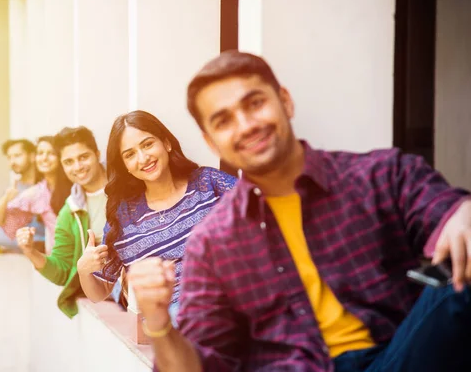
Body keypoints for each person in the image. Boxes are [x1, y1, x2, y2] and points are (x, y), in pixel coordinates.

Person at [128, 51, 471, 372]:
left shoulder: (381, 175)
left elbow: (440, 209)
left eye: (255, 103)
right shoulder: (212, 243)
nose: (246, 125)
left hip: (401, 356)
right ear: (211, 142)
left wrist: (461, 212)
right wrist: (158, 322)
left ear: (286, 102)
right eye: (224, 121)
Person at [78, 110, 236, 325]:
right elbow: (100, 292)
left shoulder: (208, 183)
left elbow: (262, 213)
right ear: (124, 165)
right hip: (180, 325)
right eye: (130, 154)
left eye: (147, 144)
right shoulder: (124, 217)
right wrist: (84, 271)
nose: (143, 158)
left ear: (166, 143)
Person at [15, 127, 110, 318]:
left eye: (83, 157)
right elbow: (63, 271)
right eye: (68, 162)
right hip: (106, 296)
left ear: (97, 154)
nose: (77, 167)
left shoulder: (125, 186)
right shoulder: (70, 211)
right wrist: (30, 251)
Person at [1, 136, 72, 255]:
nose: (44, 158)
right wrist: (31, 242)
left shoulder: (74, 187)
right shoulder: (35, 193)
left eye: (51, 153)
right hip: (58, 259)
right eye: (40, 153)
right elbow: (8, 227)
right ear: (35, 157)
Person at [0, 139, 45, 249]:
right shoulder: (13, 188)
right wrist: (6, 198)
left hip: (43, 236)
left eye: (17, 156)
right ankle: (29, 245)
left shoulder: (44, 185)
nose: (12, 161)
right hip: (22, 238)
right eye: (9, 157)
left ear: (32, 157)